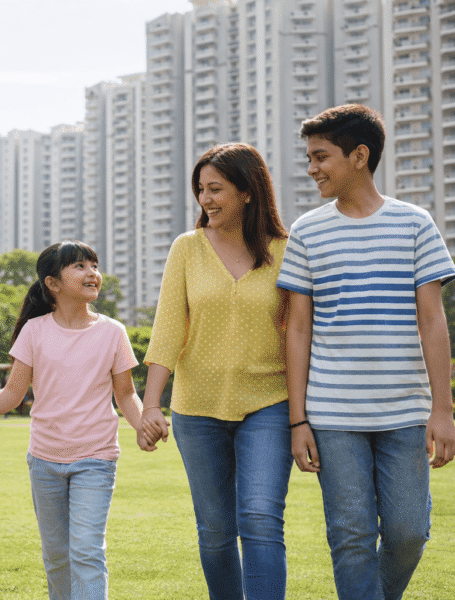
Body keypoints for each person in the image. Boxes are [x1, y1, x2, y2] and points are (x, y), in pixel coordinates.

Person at [277, 104, 455, 600]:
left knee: (407, 533)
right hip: (333, 414)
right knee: (351, 535)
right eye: (309, 157)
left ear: (359, 155)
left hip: (405, 411)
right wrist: (298, 421)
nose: (311, 168)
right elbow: (297, 330)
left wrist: (443, 409)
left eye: (320, 156)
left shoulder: (415, 223)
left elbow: (432, 320)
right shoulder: (308, 232)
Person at [0, 240, 154, 600]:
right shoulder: (35, 331)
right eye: (79, 266)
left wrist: (142, 425)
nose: (92, 272)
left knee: (87, 552)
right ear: (53, 284)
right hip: (45, 461)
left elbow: (125, 394)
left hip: (96, 459)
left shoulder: (113, 332)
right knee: (57, 557)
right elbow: (13, 394)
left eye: (94, 264)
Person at [140, 143, 292, 600]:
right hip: (197, 408)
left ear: (248, 192)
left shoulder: (285, 250)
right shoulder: (187, 249)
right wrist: (150, 405)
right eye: (201, 189)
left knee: (261, 518)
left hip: (269, 402)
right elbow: (168, 327)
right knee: (215, 529)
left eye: (216, 189)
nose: (206, 199)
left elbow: (297, 333)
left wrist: (304, 413)